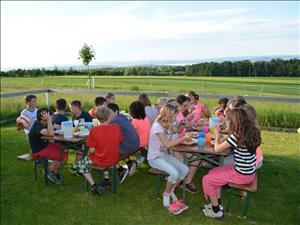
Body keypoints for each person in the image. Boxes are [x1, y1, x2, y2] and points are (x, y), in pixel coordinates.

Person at [202, 108, 261, 219]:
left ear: (234, 122)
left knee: (207, 179)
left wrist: (217, 133)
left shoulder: (236, 136)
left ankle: (216, 212)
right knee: (212, 172)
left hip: (241, 174)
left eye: (228, 120)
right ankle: (218, 204)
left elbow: (217, 149)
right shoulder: (252, 131)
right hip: (248, 171)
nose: (226, 122)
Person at [148, 104, 190, 215]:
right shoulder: (157, 127)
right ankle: (166, 195)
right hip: (155, 158)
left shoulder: (167, 125)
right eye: (175, 116)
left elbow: (175, 132)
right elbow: (167, 145)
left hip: (164, 156)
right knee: (174, 173)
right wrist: (182, 140)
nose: (176, 118)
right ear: (169, 115)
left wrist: (180, 132)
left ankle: (171, 190)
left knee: (185, 169)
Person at [75, 106, 123, 195]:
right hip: (114, 158)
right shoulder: (116, 127)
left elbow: (92, 150)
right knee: (104, 154)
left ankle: (94, 186)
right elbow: (119, 140)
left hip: (102, 159)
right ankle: (106, 179)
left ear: (96, 117)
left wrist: (87, 155)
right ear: (109, 116)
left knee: (81, 164)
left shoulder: (94, 130)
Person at [28, 108, 68, 184]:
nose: (52, 118)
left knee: (64, 149)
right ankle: (48, 172)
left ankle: (54, 172)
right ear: (44, 118)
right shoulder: (38, 125)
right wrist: (49, 120)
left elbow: (57, 126)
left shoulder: (44, 123)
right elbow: (51, 134)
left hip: (45, 145)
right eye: (50, 116)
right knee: (62, 156)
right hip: (39, 150)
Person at [107, 103, 140, 183]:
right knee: (112, 145)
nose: (108, 114)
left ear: (116, 112)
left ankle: (121, 170)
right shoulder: (122, 117)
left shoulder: (115, 120)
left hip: (129, 146)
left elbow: (106, 133)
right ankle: (129, 163)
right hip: (135, 144)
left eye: (109, 112)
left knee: (106, 151)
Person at [129, 101, 151, 167]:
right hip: (148, 141)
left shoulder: (135, 121)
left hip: (140, 143)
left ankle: (139, 157)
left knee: (126, 141)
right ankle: (142, 153)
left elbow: (131, 132)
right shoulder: (146, 118)